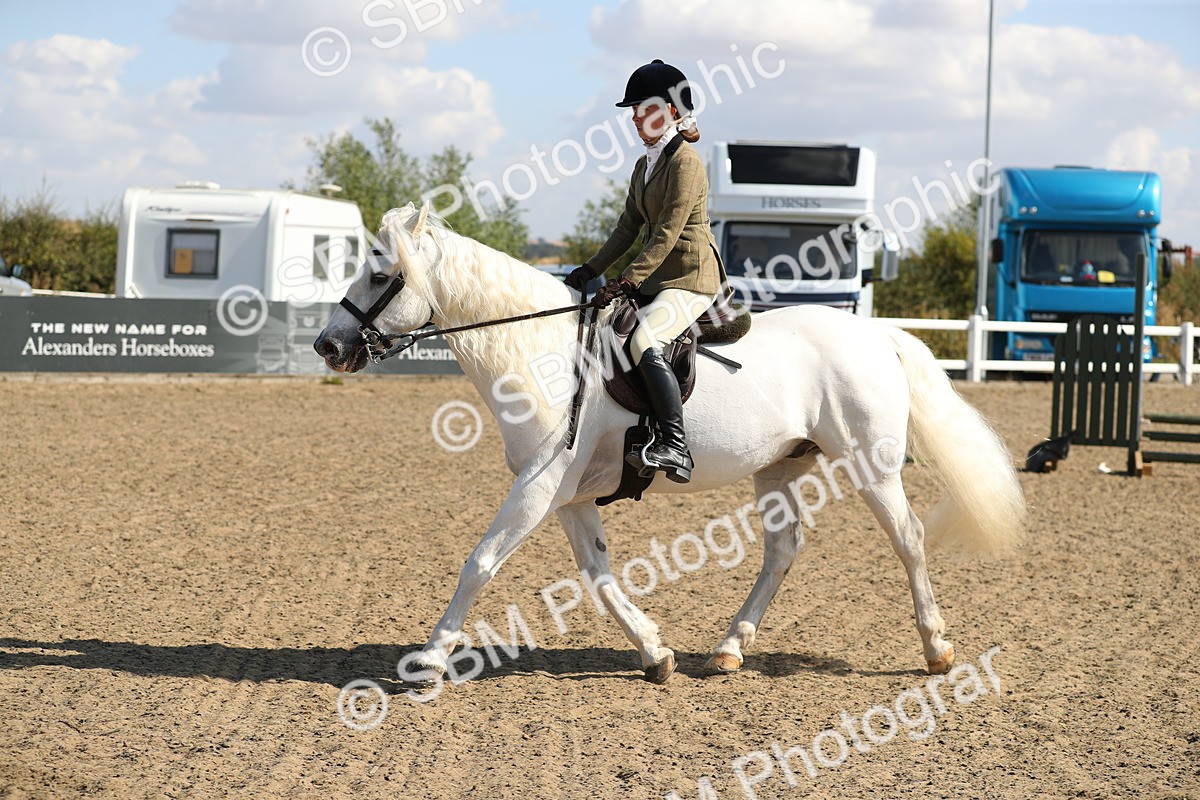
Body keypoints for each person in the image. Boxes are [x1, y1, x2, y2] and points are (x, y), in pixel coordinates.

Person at [566, 59, 725, 484]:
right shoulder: (645, 164)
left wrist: (627, 280)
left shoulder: (686, 162)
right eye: (634, 112)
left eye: (646, 109)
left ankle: (675, 442)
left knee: (643, 339)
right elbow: (628, 227)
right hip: (656, 278)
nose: (637, 118)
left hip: (689, 278)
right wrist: (591, 269)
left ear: (672, 111)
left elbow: (669, 233)